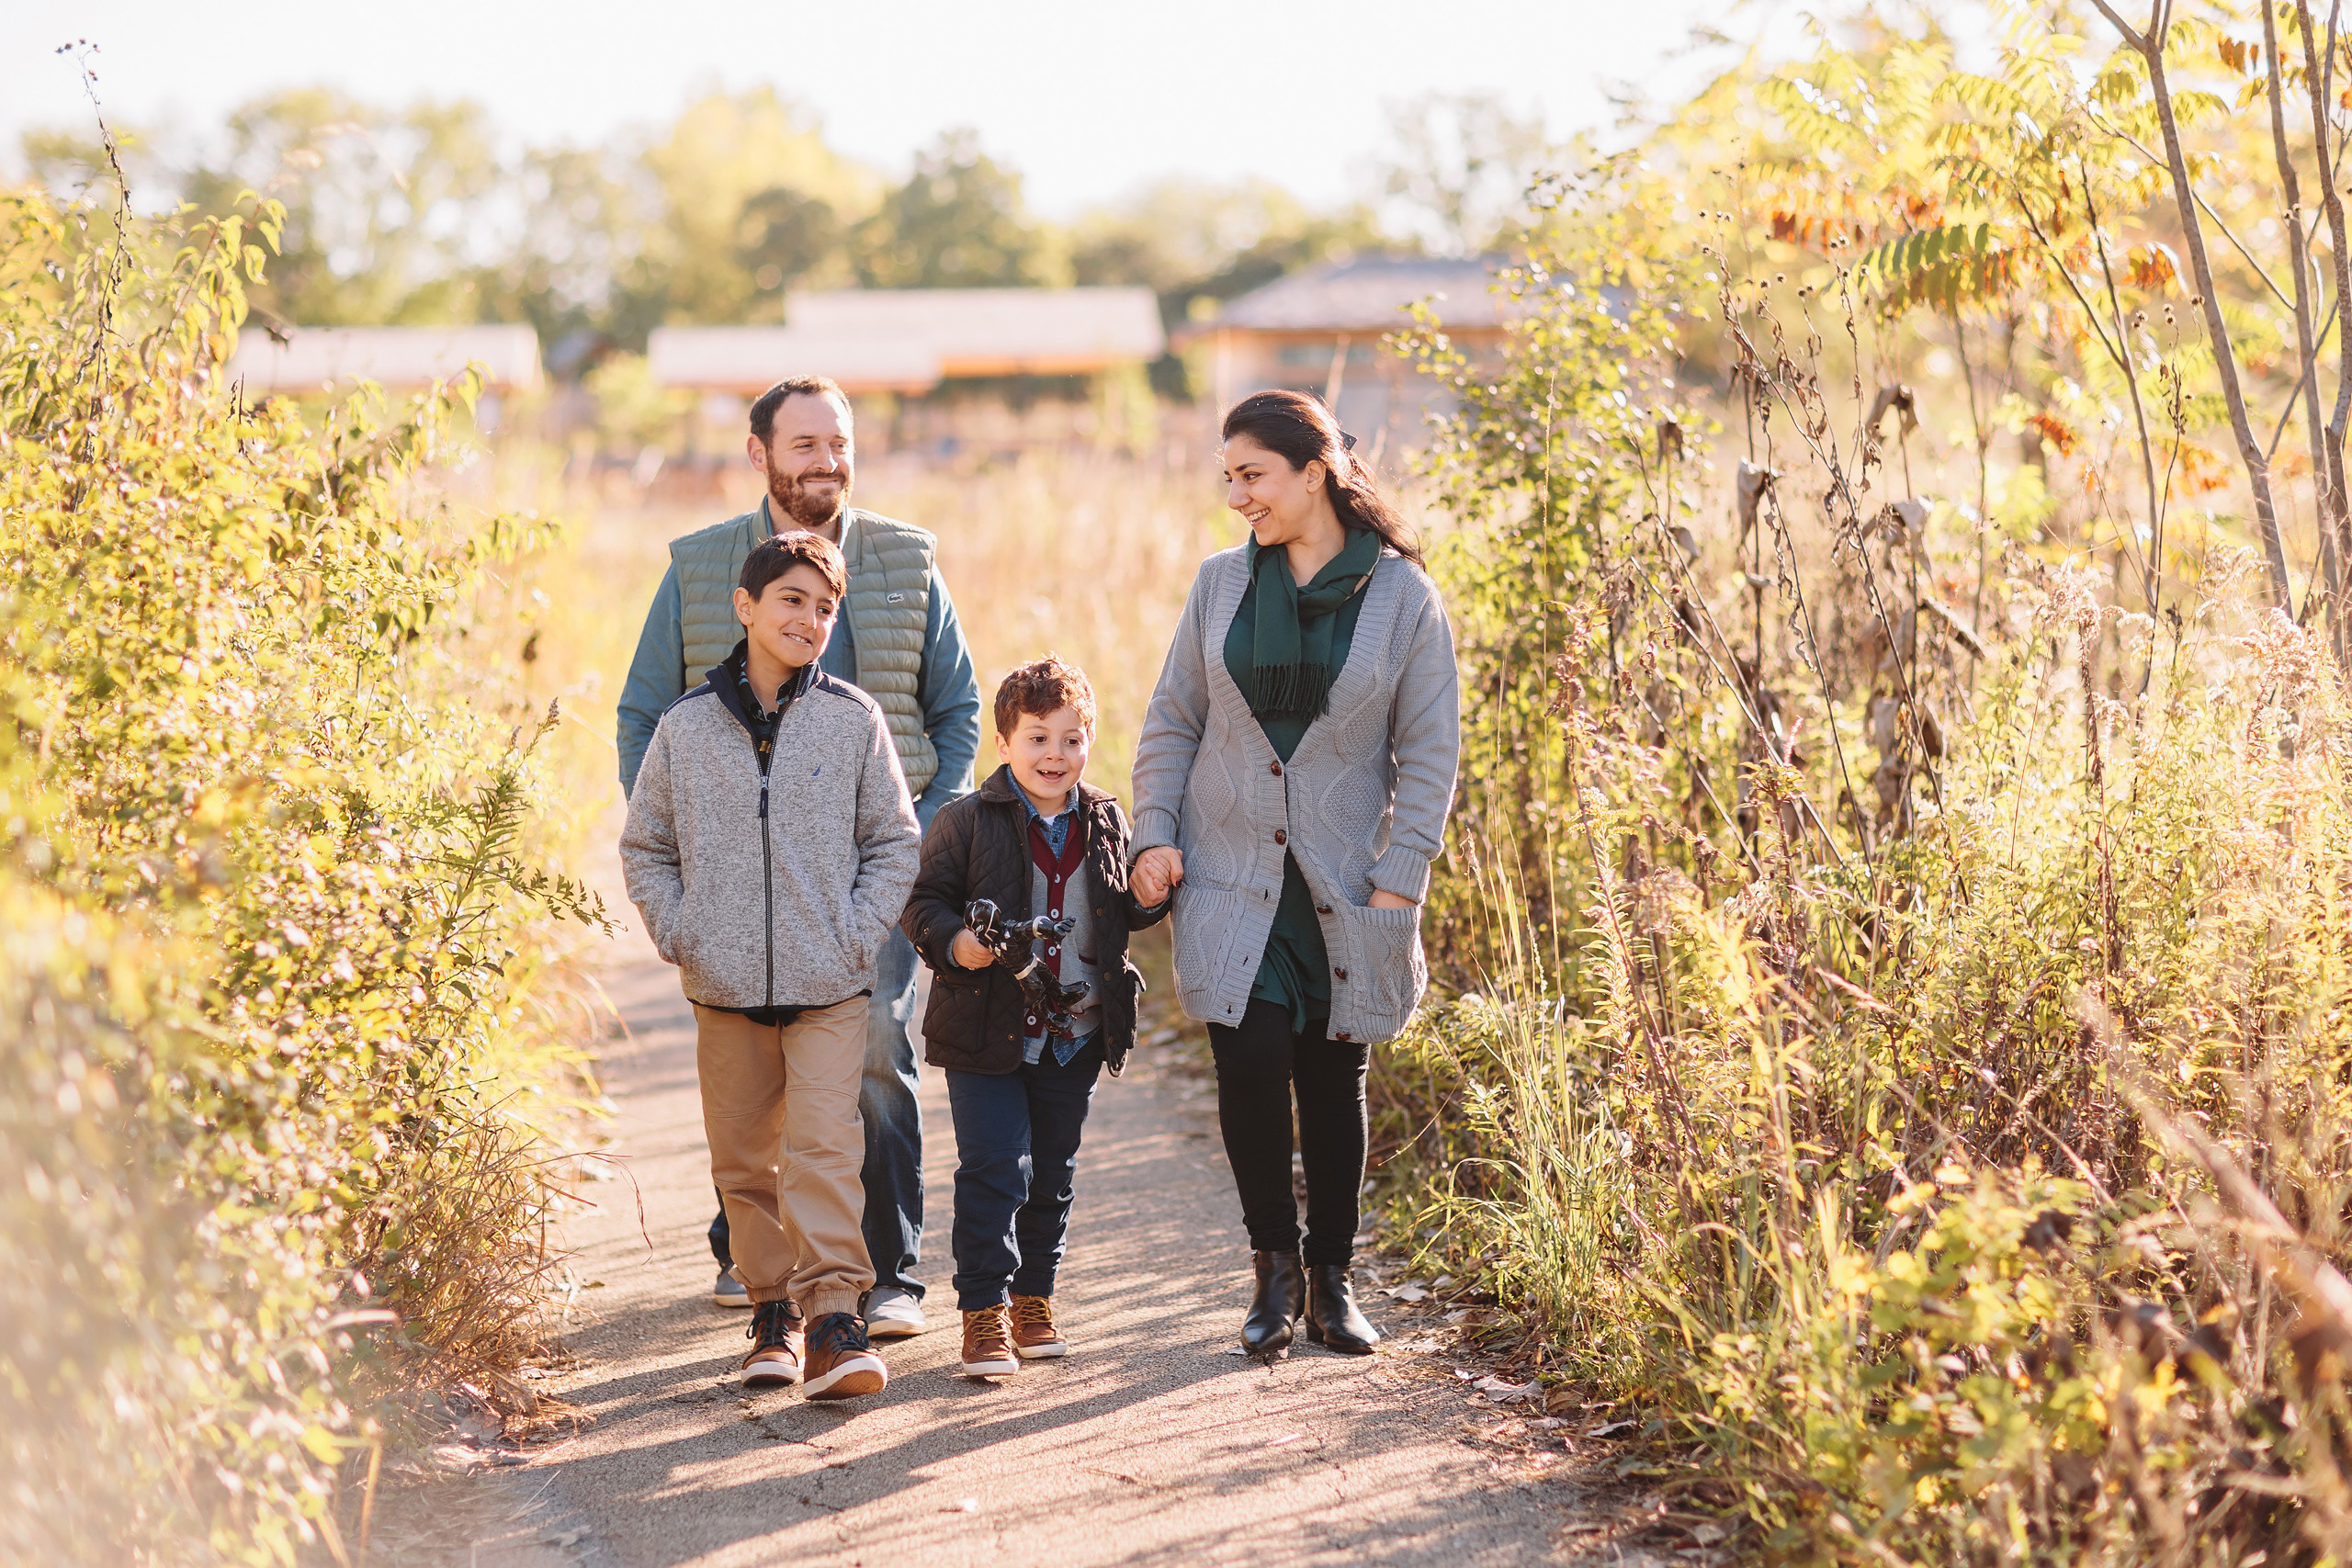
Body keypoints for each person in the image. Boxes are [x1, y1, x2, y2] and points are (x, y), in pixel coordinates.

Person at [617, 376, 980, 1336]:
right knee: (755, 1076)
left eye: (839, 441)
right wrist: (688, 868)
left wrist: (917, 850)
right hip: (737, 883)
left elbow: (958, 711)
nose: (826, 458)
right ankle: (760, 1269)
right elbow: (640, 715)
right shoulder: (700, 568)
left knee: (870, 1054)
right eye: (805, 442)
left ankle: (887, 1273)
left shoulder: (906, 559)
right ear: (759, 454)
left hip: (872, 878)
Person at [1128, 389, 1460, 1359]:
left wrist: (1399, 880)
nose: (1236, 496)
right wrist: (1153, 832)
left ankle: (1332, 1281)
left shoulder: (1403, 599)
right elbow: (1171, 720)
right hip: (1227, 874)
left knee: (1330, 1073)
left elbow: (1429, 754)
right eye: (1227, 477)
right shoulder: (1219, 586)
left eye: (1252, 475)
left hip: (1345, 883)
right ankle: (1271, 1270)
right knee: (1250, 1057)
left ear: (1314, 471)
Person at [620, 529, 922, 1399]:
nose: (811, 619)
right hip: (724, 988)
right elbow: (647, 848)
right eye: (792, 600)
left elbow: (894, 844)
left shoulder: (854, 720)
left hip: (829, 982)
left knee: (825, 1145)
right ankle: (772, 1316)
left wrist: (854, 933)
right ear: (746, 607)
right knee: (744, 1160)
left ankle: (834, 1317)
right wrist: (686, 933)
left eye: (826, 608)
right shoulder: (683, 730)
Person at [899, 657, 1170, 1379]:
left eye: (1072, 739)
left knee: (1052, 1174)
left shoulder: (1106, 818)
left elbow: (1120, 912)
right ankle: (982, 1311)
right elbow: (923, 904)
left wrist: (1148, 894)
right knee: (994, 1169)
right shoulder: (966, 820)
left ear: (1089, 742)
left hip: (1072, 1035)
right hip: (986, 1030)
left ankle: (1034, 1298)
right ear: (1004, 744)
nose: (1056, 755)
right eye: (1038, 738)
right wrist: (959, 944)